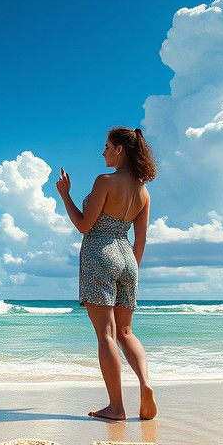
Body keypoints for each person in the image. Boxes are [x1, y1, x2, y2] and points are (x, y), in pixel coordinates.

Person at [56, 126, 157, 421]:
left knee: (106, 335)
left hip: (100, 254)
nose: (102, 152)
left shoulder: (105, 181)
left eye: (106, 146)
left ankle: (116, 407)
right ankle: (145, 383)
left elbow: (85, 225)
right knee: (126, 332)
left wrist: (65, 196)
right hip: (128, 258)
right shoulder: (143, 192)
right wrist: (132, 270)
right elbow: (142, 239)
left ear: (119, 150)